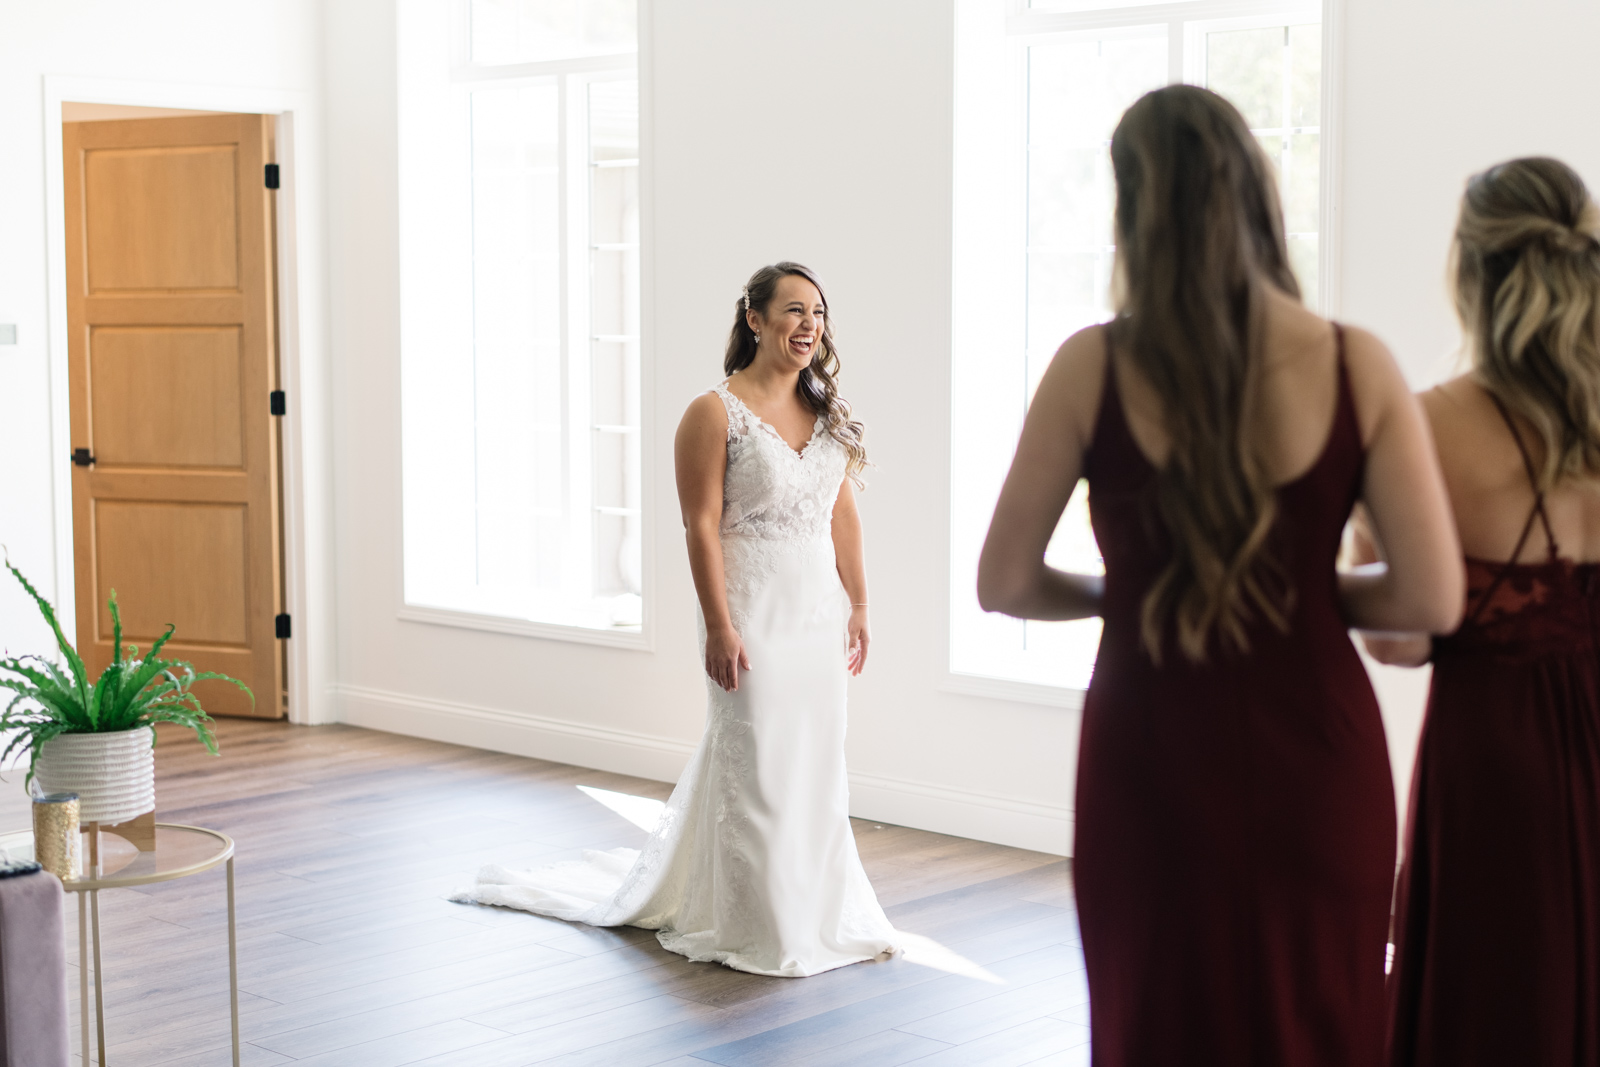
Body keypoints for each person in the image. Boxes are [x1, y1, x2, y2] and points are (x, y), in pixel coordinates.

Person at [977, 85, 1462, 1065]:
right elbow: (1428, 599)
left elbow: (1006, 582)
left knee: (1156, 1015)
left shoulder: (1089, 367)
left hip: (1150, 749)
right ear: (1254, 192)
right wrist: (1305, 597)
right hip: (1317, 757)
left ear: (1131, 211)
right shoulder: (1354, 363)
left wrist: (1136, 592)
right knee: (1319, 1020)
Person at [454, 261, 898, 978]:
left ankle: (819, 911)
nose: (808, 324)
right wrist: (719, 624)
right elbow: (699, 525)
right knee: (754, 757)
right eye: (792, 310)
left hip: (816, 612)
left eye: (817, 312)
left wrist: (862, 604)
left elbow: (843, 514)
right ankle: (757, 922)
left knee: (814, 760)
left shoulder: (826, 416)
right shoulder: (713, 412)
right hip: (749, 605)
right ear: (754, 319)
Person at [1358, 157, 1600, 1066]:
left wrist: (1357, 532)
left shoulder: (1427, 422)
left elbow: (1400, 638)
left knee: (1498, 997)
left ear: (1469, 271)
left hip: (1498, 767)